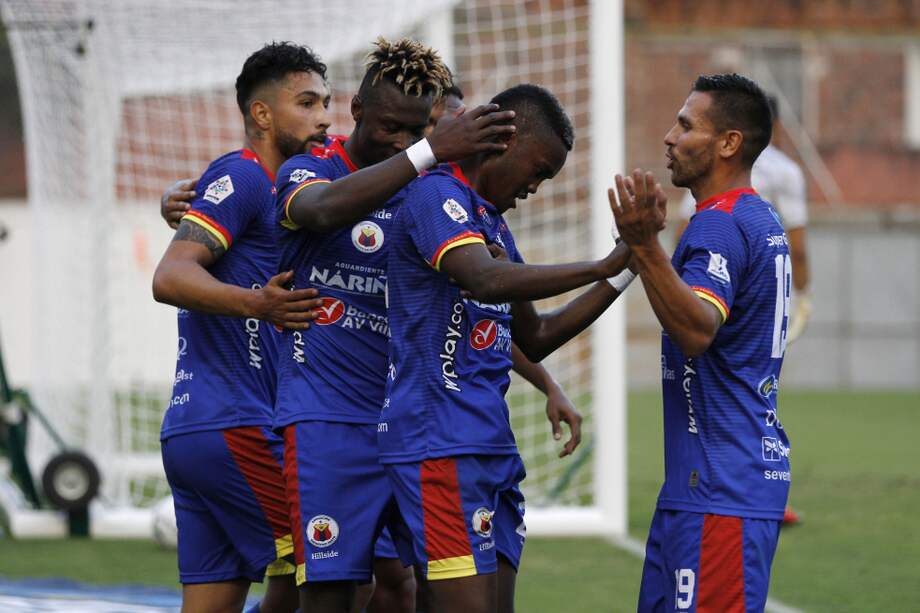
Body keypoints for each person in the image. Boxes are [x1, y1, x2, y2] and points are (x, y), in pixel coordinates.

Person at [379, 83, 636, 613]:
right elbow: (484, 279)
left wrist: (630, 265)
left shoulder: (490, 222)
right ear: (503, 139)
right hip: (439, 444)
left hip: (491, 449)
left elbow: (537, 337)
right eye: (538, 168)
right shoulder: (434, 194)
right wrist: (599, 265)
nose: (536, 187)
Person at [151, 42, 329, 613]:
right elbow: (170, 277)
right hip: (236, 425)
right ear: (262, 115)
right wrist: (262, 306)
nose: (324, 117)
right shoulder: (245, 176)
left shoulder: (282, 189)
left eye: (326, 103)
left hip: (196, 431)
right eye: (307, 102)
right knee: (330, 575)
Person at [610, 73, 792, 613]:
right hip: (704, 486)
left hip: (724, 487)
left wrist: (645, 247)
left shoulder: (720, 224)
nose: (669, 136)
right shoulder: (752, 216)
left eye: (686, 125)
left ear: (728, 144)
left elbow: (695, 331)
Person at [674, 94, 811, 347]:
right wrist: (802, 297)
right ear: (776, 126)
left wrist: (682, 285)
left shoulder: (708, 163)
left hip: (709, 279)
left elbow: (683, 231)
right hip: (759, 290)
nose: (672, 138)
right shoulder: (786, 171)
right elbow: (798, 249)